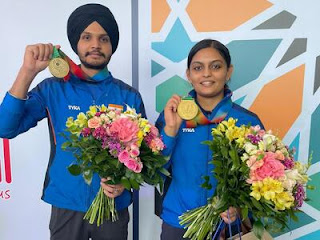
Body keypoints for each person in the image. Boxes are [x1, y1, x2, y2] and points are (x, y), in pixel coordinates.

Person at [0, 3, 145, 240]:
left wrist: (125, 184)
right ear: (76, 43)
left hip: (113, 207)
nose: (95, 45)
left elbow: (142, 156)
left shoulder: (128, 96)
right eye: (87, 37)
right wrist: (27, 71)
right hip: (66, 203)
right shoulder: (53, 89)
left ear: (112, 46)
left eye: (104, 38)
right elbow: (4, 128)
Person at [156, 39, 264, 239]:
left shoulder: (248, 121)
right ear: (189, 75)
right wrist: (171, 130)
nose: (206, 74)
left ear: (228, 71)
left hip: (227, 226)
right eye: (198, 68)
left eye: (216, 66)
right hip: (179, 223)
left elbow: (262, 180)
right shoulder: (171, 117)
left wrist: (240, 208)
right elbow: (154, 172)